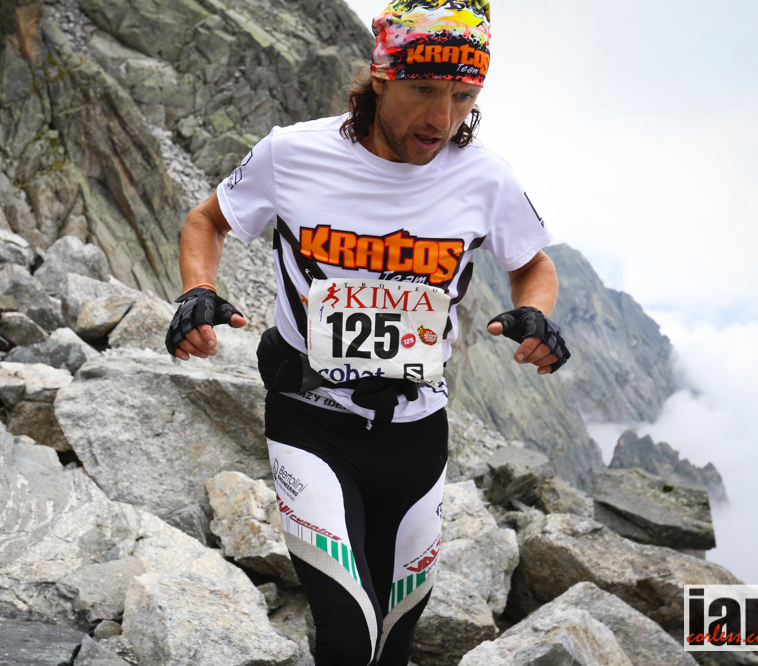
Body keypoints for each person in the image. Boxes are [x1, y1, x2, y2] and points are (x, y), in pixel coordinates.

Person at [165, 1, 570, 663]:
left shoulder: (485, 177)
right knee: (348, 632)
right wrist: (198, 290)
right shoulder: (292, 154)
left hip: (418, 431)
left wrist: (536, 313)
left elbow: (532, 265)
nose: (442, 118)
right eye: (424, 90)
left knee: (396, 634)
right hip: (311, 419)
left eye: (463, 96)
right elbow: (206, 221)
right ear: (381, 77)